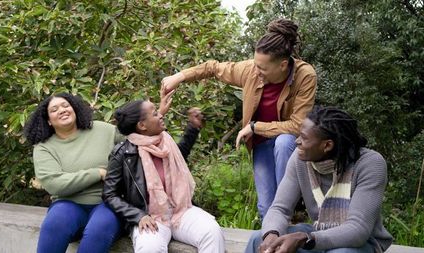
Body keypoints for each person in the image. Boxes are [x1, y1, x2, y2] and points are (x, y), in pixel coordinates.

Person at [161, 18, 317, 218]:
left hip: (287, 142)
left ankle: (289, 202)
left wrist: (254, 127)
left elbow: (297, 125)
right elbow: (213, 68)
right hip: (261, 144)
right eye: (255, 65)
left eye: (262, 68)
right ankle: (272, 239)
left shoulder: (305, 76)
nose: (256, 71)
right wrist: (179, 77)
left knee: (283, 143)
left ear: (283, 65)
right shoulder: (251, 70)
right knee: (265, 208)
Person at [245, 107, 393, 253]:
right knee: (257, 239)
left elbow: (358, 229)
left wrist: (306, 238)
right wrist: (271, 235)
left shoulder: (370, 164)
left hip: (361, 242)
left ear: (327, 145)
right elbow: (280, 208)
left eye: (304, 138)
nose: (297, 142)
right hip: (317, 233)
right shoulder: (300, 158)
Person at [103, 99, 225, 253]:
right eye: (155, 114)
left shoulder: (166, 142)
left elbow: (180, 155)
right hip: (149, 216)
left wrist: (193, 127)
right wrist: (138, 216)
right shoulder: (122, 153)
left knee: (211, 231)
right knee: (149, 247)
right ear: (142, 125)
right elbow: (109, 194)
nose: (161, 115)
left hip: (180, 210)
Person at [23, 93, 124, 253]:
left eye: (65, 105)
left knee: (98, 230)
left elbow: (138, 139)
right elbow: (55, 184)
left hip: (108, 201)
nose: (62, 110)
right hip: (68, 205)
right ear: (48, 120)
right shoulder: (44, 148)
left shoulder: (103, 130)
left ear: (75, 109)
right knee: (55, 223)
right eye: (54, 109)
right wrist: (97, 173)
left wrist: (157, 113)